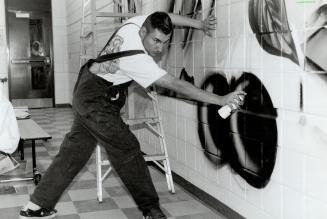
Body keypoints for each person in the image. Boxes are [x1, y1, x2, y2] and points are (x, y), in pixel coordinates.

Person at [19, 11, 246, 219]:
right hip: (96, 100)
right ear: (143, 32)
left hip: (86, 88)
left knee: (74, 152)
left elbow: (166, 16)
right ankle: (152, 211)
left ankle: (35, 206)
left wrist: (200, 24)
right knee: (127, 148)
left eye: (165, 43)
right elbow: (176, 84)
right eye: (156, 41)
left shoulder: (135, 23)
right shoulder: (137, 57)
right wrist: (220, 99)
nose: (160, 48)